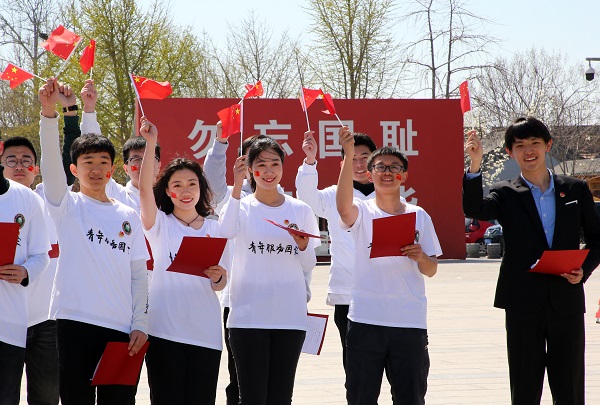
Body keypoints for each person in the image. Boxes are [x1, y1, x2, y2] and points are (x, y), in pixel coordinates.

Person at [463, 117, 600, 405]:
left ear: (548, 145)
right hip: (522, 300)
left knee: (570, 385)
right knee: (525, 384)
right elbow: (475, 208)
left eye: (535, 143)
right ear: (509, 152)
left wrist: (583, 271)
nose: (529, 151)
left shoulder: (575, 189)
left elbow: (597, 239)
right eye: (520, 145)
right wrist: (475, 165)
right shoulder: (505, 192)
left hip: (566, 296)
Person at [38, 77, 149, 405]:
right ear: (74, 169)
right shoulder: (66, 206)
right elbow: (51, 165)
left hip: (120, 328)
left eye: (103, 163)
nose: (96, 169)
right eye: (88, 163)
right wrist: (48, 114)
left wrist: (140, 323)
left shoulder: (128, 216)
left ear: (112, 168)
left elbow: (139, 275)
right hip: (73, 322)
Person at [336, 128, 441, 404]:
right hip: (365, 320)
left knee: (410, 397)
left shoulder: (418, 215)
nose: (386, 172)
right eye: (380, 167)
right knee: (361, 397)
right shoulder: (362, 211)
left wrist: (421, 257)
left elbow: (431, 269)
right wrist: (348, 156)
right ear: (369, 174)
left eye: (394, 168)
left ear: (403, 176)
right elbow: (343, 209)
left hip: (409, 322)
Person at [296, 127, 408, 371]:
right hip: (348, 293)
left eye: (363, 157)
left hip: (388, 293)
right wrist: (310, 161)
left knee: (394, 363)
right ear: (342, 163)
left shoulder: (393, 199)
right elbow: (306, 199)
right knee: (357, 367)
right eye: (352, 158)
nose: (358, 164)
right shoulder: (334, 196)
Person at [219, 136, 319, 405]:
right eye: (261, 164)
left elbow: (309, 264)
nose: (269, 171)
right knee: (251, 397)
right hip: (248, 318)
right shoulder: (239, 206)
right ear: (250, 169)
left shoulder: (300, 209)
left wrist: (302, 245)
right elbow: (225, 232)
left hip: (289, 318)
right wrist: (236, 187)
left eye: (275, 163)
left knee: (281, 396)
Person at [137, 118, 227, 404]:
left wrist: (219, 276)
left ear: (201, 188)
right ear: (167, 191)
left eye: (192, 184)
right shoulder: (160, 224)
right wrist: (151, 143)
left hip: (205, 332)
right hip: (164, 330)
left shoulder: (216, 228)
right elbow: (144, 191)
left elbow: (221, 284)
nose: (185, 191)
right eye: (177, 185)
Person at [203, 127, 281, 405]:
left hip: (277, 301)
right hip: (238, 300)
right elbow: (211, 182)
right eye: (255, 160)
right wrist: (221, 142)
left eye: (271, 161)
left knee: (276, 378)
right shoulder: (230, 197)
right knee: (240, 377)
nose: (264, 168)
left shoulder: (285, 203)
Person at [0, 141, 50, 405]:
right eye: (13, 159)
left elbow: (42, 255)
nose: (18, 165)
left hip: (11, 323)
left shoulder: (28, 199)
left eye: (25, 160)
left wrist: (25, 271)